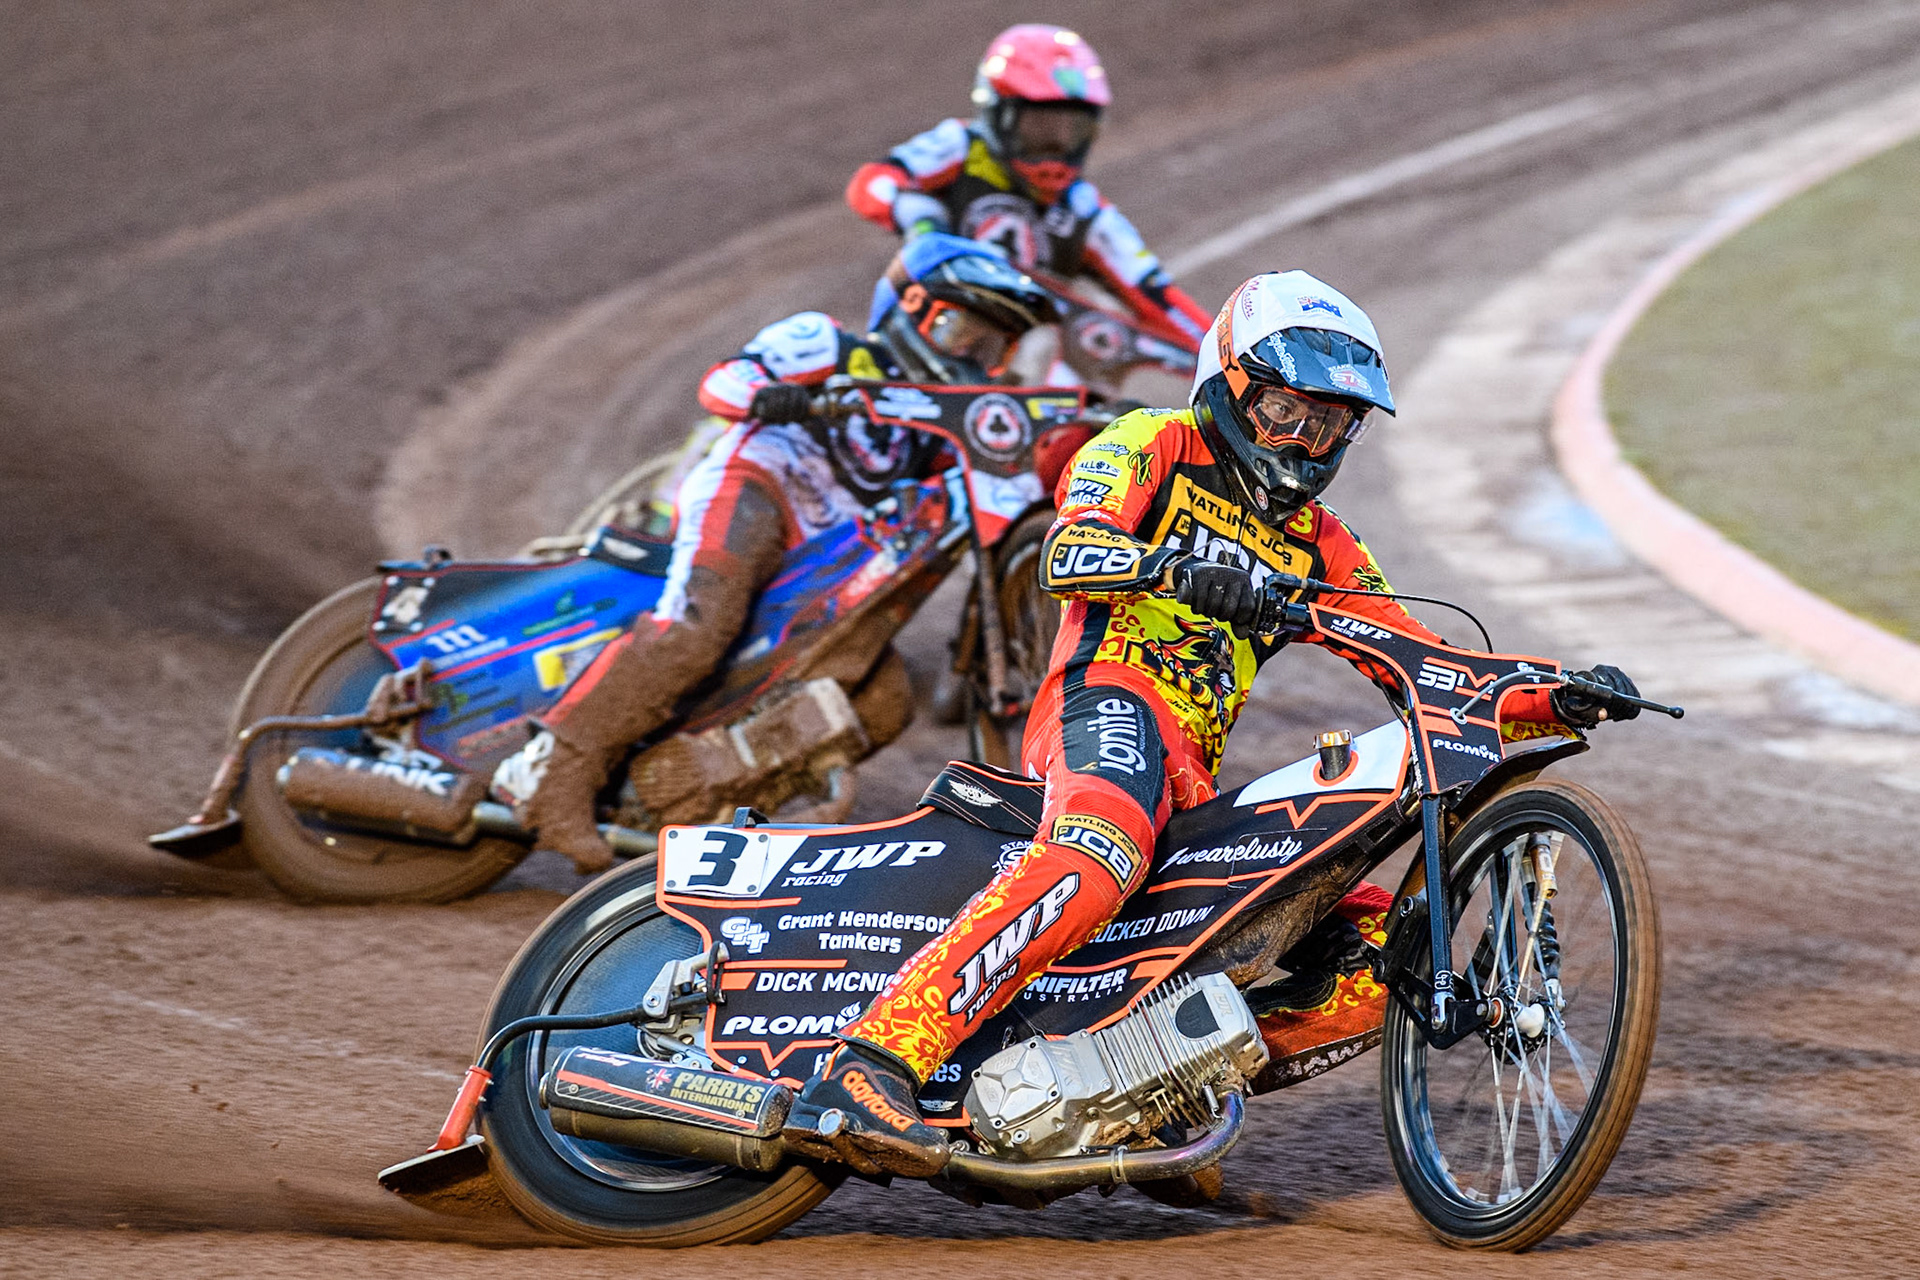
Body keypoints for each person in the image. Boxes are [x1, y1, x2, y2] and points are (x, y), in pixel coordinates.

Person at [783, 270, 1645, 1177]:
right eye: (1286, 412)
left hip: (1191, 772)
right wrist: (1175, 569)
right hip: (1105, 700)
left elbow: (1426, 664)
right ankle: (870, 1062)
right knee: (1096, 854)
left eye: (1330, 424)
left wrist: (1552, 692)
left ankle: (1143, 1099)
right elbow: (1067, 550)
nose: (1307, 441)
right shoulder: (1149, 441)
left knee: (1384, 968)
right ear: (1229, 385)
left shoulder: (1324, 540)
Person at [490, 235, 1057, 873]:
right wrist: (768, 394)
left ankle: (687, 793)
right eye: (961, 332)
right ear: (912, 306)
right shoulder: (830, 343)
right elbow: (725, 381)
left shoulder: (949, 422)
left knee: (885, 698)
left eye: (992, 345)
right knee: (700, 625)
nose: (973, 357)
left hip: (819, 559)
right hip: (760, 485)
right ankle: (554, 769)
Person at [846, 24, 1211, 361]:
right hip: (927, 330)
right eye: (1041, 128)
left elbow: (1157, 296)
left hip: (1019, 372)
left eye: (1074, 130)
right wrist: (916, 214)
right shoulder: (961, 149)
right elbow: (873, 181)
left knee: (1082, 341)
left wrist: (1220, 354)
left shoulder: (1084, 211)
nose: (1058, 144)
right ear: (999, 113)